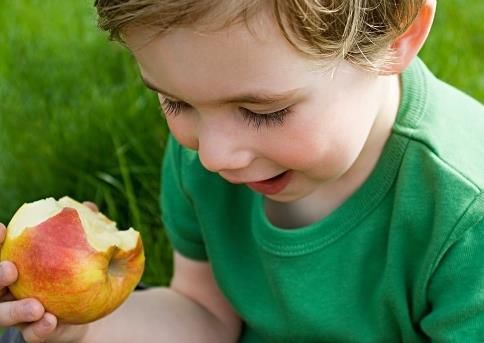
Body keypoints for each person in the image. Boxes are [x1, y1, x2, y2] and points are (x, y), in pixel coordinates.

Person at [1, 0, 483, 341]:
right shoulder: (205, 154)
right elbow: (205, 316)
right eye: (175, 101)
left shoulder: (465, 216)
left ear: (397, 38)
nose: (212, 155)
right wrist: (85, 325)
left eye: (263, 111)